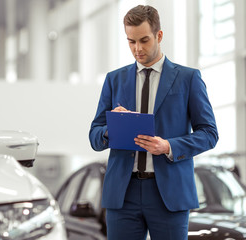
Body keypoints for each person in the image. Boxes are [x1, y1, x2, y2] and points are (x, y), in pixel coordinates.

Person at [89, 5, 218, 240]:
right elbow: (94, 136)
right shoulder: (113, 80)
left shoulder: (188, 79)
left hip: (168, 193)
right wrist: (111, 130)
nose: (137, 49)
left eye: (144, 40)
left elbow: (209, 133)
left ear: (159, 35)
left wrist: (168, 146)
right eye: (131, 42)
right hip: (122, 193)